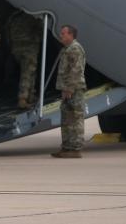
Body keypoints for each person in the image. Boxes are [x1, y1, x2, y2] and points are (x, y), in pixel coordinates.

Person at [53, 25, 87, 159]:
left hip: (75, 89)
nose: (61, 36)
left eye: (63, 33)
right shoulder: (67, 49)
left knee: (75, 117)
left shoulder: (75, 48)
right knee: (67, 118)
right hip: (68, 88)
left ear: (71, 35)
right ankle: (67, 147)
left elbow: (76, 70)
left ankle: (76, 148)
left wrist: (70, 88)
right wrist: (64, 88)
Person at [6, 11, 43, 109]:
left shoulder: (13, 16)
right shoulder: (34, 16)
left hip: (16, 48)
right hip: (29, 47)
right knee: (27, 72)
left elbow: (7, 32)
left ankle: (31, 95)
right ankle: (23, 98)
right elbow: (40, 30)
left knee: (30, 71)